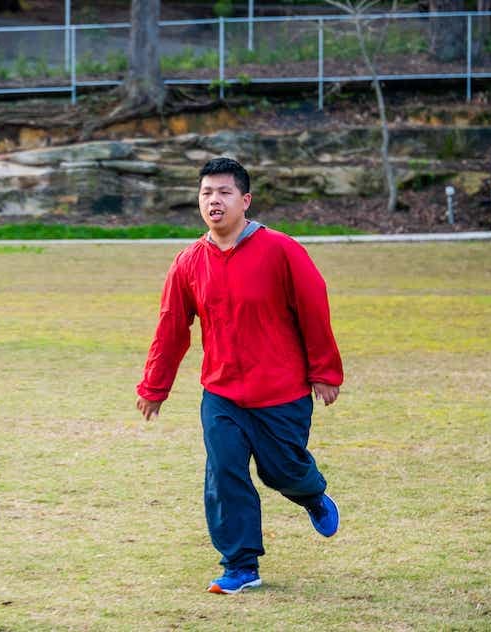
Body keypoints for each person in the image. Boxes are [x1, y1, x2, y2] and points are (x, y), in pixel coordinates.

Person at [135, 157, 343, 595]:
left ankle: (311, 494)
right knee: (224, 472)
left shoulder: (282, 250)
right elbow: (172, 327)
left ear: (245, 201)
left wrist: (324, 371)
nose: (215, 200)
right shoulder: (189, 262)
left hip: (281, 392)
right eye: (207, 192)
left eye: (225, 192)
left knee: (281, 470)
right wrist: (155, 386)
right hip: (222, 394)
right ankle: (240, 565)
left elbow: (314, 308)